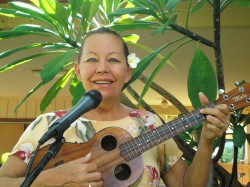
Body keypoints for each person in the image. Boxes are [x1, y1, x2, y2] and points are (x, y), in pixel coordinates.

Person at [0, 27, 230, 187]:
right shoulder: (49, 125)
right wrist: (52, 178)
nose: (102, 68)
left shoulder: (149, 124)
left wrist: (206, 141)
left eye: (113, 59)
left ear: (128, 72)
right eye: (91, 59)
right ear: (77, 70)